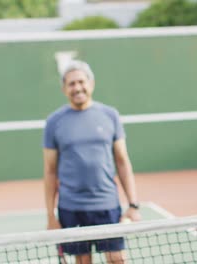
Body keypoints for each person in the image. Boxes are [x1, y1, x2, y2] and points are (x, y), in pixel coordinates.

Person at [43, 60, 141, 264]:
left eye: (81, 81)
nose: (77, 87)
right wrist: (51, 216)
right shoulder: (54, 122)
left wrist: (133, 203)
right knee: (83, 261)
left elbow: (122, 162)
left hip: (107, 205)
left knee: (117, 259)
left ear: (91, 83)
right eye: (71, 84)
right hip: (72, 208)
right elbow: (50, 171)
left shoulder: (110, 115)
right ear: (64, 89)